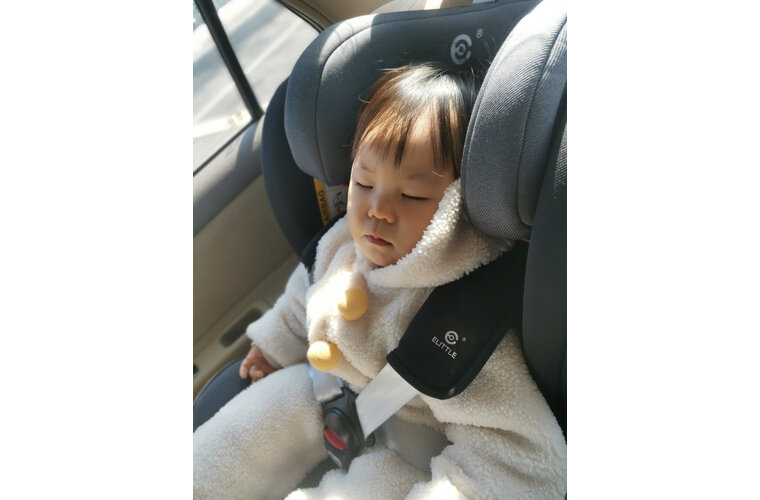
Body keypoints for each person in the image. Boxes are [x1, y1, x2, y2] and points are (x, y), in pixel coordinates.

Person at [194, 63, 567, 499]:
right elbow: (305, 295)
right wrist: (276, 344)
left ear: (458, 204)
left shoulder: (460, 315)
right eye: (364, 182)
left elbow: (523, 457)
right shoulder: (340, 244)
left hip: (408, 451)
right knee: (233, 440)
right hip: (324, 393)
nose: (377, 209)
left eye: (411, 195)